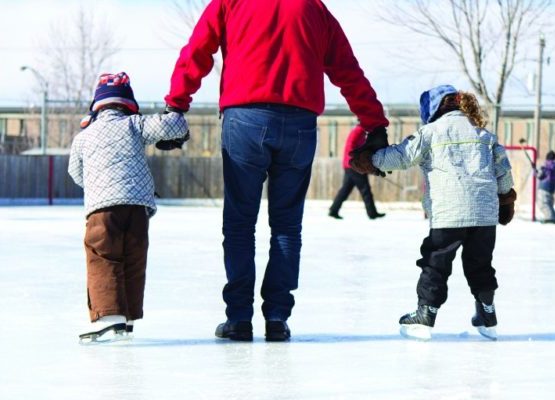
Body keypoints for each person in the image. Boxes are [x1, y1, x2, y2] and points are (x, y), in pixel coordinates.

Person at [165, 0, 389, 341]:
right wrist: (374, 122)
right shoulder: (314, 8)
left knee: (240, 224)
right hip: (299, 125)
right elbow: (347, 71)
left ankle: (239, 318)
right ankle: (277, 318)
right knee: (287, 226)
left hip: (245, 120)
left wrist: (177, 104)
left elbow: (198, 50)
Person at [352, 85, 516, 341]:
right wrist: (505, 200)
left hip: (449, 213)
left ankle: (425, 314)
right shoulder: (484, 135)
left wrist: (370, 160)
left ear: (432, 109)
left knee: (436, 263)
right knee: (480, 264)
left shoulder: (430, 133)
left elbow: (401, 156)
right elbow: (503, 171)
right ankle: (487, 313)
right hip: (485, 215)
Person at [68, 72, 189, 343]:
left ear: (97, 105)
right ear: (128, 103)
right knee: (133, 258)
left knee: (103, 256)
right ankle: (129, 317)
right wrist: (174, 110)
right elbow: (174, 126)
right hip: (137, 208)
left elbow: (75, 173)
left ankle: (110, 318)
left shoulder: (84, 137)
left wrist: (97, 184)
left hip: (102, 210)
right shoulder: (135, 124)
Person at [329, 125, 385, 220]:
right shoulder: (359, 131)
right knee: (365, 189)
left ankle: (333, 210)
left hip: (351, 165)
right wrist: (358, 162)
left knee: (345, 190)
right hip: (354, 166)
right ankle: (372, 213)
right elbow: (350, 146)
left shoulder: (362, 133)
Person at [537, 150, 555, 223]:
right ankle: (552, 216)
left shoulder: (549, 165)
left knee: (543, 203)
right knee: (549, 203)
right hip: (550, 187)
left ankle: (550, 218)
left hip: (545, 187)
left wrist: (538, 170)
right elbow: (541, 175)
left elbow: (541, 175)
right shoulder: (551, 165)